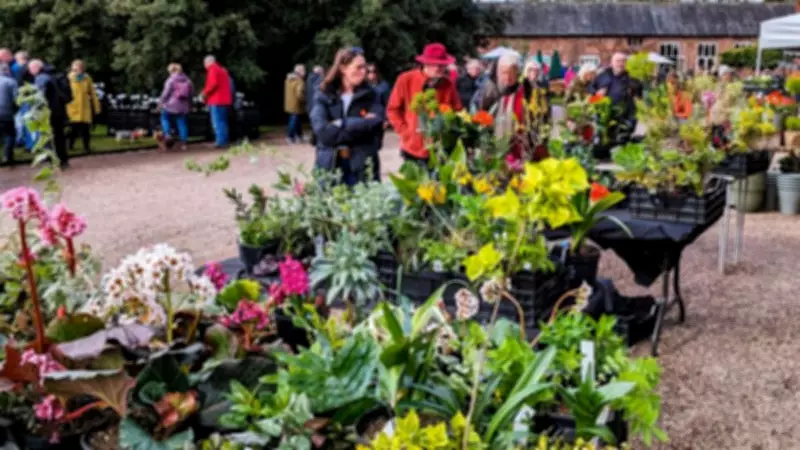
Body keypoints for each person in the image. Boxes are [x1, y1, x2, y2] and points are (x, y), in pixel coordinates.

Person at [309, 47, 385, 185]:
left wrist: (341, 124)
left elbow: (376, 123)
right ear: (343, 68)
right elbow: (321, 131)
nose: (364, 73)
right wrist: (360, 125)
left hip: (362, 166)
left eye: (365, 68)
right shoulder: (323, 94)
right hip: (329, 165)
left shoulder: (373, 95)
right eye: (359, 67)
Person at [386, 43, 462, 165]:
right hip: (412, 147)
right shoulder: (405, 79)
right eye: (434, 64)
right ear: (425, 63)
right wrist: (405, 131)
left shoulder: (448, 84)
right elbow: (393, 109)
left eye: (441, 65)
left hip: (440, 147)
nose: (438, 68)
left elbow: (457, 110)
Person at [590, 52, 638, 154]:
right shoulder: (602, 76)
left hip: (625, 115)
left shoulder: (632, 78)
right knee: (602, 139)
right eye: (618, 61)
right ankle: (602, 153)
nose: (621, 64)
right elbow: (590, 95)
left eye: (623, 61)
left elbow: (639, 95)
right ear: (611, 63)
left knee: (622, 140)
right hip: (604, 114)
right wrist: (596, 96)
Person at [29, 59, 69, 168]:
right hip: (59, 110)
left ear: (36, 67)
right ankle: (63, 159)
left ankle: (52, 160)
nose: (30, 71)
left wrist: (35, 111)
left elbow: (40, 96)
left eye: (31, 68)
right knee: (59, 136)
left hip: (48, 112)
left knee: (48, 136)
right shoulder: (52, 75)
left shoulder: (41, 78)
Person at [65, 60, 101, 153]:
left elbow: (92, 93)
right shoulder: (68, 78)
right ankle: (70, 146)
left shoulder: (87, 78)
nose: (78, 70)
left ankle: (87, 147)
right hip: (73, 107)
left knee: (86, 129)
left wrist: (96, 107)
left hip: (84, 107)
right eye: (76, 68)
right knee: (73, 129)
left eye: (80, 67)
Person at [157, 63, 193, 151]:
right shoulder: (188, 80)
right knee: (182, 124)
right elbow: (191, 94)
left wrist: (160, 103)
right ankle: (184, 144)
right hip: (183, 107)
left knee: (164, 118)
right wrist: (189, 104)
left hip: (170, 105)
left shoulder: (170, 80)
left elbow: (165, 94)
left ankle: (168, 134)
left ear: (171, 71)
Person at [201, 55, 233, 149]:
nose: (204, 66)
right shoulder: (221, 70)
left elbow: (213, 84)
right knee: (223, 121)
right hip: (224, 99)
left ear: (208, 62)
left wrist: (204, 93)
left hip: (216, 100)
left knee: (217, 122)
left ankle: (220, 142)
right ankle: (224, 141)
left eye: (205, 63)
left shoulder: (212, 69)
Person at [0, 63, 18, 165]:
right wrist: (15, 110)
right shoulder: (11, 82)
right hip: (7, 112)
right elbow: (16, 99)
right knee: (10, 134)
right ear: (8, 71)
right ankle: (7, 156)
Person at [284, 64, 306, 144]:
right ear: (299, 72)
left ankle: (299, 135)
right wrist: (304, 100)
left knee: (297, 120)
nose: (305, 72)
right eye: (303, 70)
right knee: (293, 121)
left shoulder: (288, 79)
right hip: (296, 104)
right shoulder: (299, 81)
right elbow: (299, 94)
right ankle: (290, 137)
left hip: (289, 104)